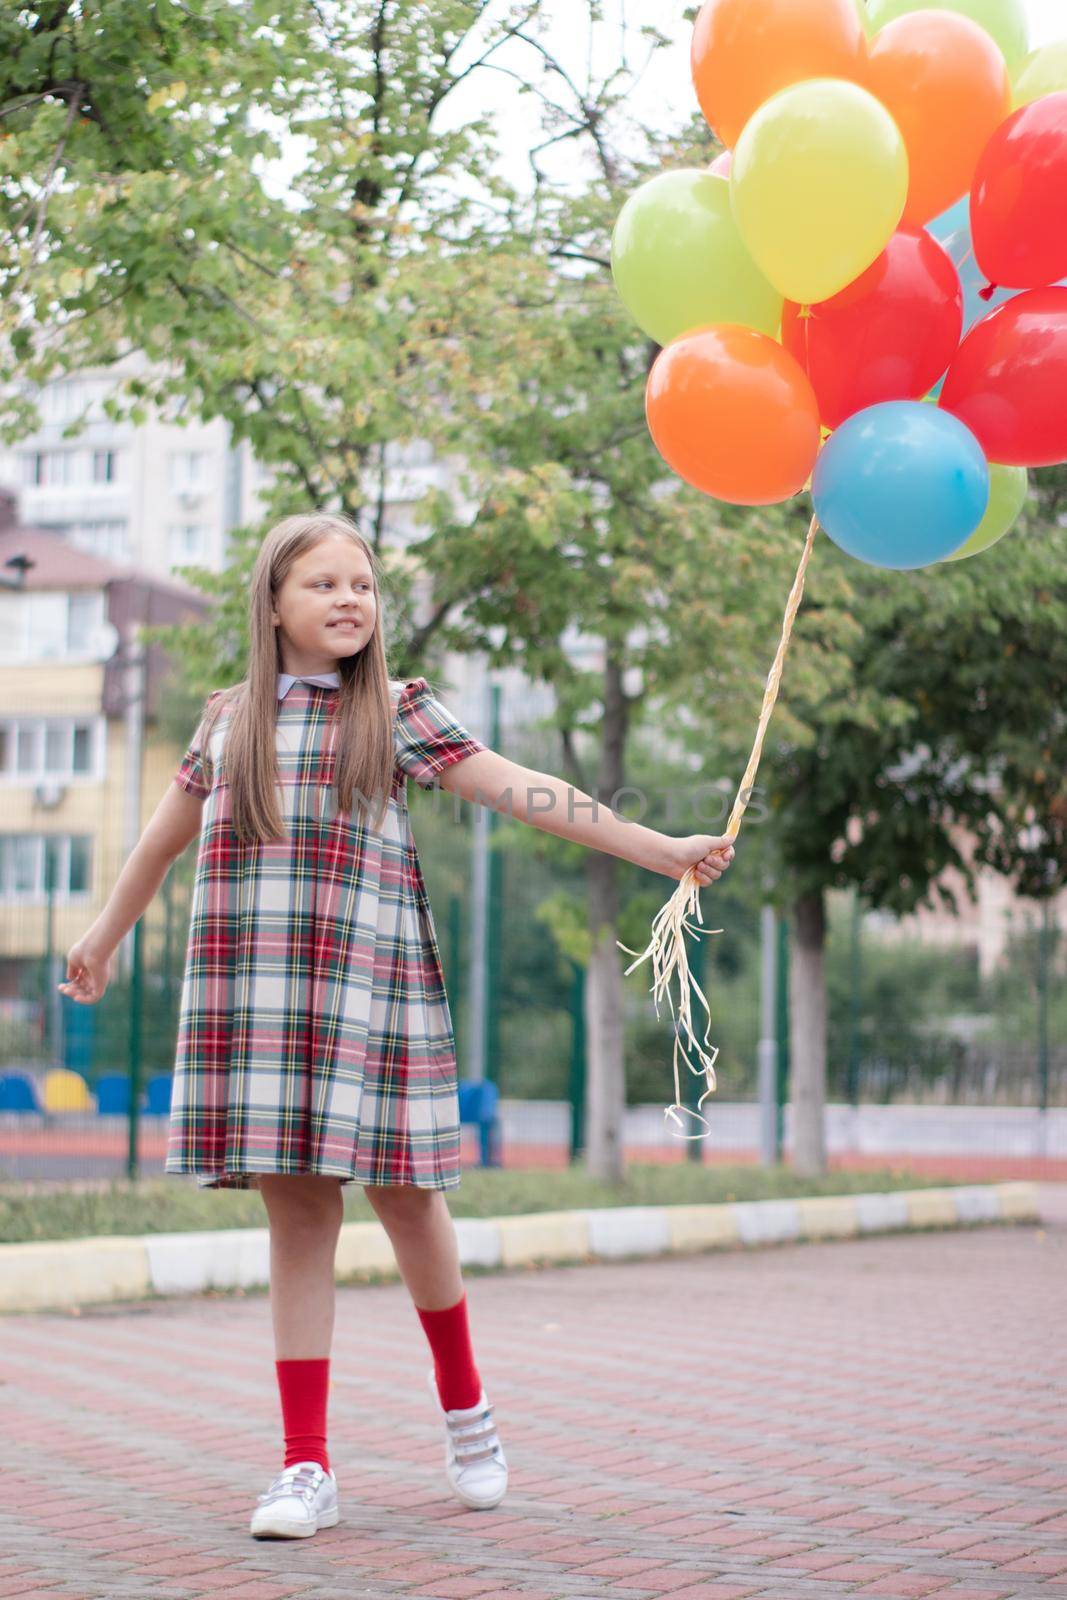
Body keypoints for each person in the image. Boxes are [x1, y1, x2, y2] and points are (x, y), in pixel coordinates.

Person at [60, 511, 735, 1540]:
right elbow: (160, 840)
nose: (347, 601)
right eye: (322, 584)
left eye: (362, 586)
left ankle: (467, 1412)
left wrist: (659, 848)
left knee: (410, 1205)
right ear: (273, 603)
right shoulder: (228, 721)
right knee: (297, 1220)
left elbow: (529, 795)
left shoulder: (400, 714)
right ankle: (303, 1464)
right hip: (260, 998)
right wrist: (104, 937)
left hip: (368, 996)